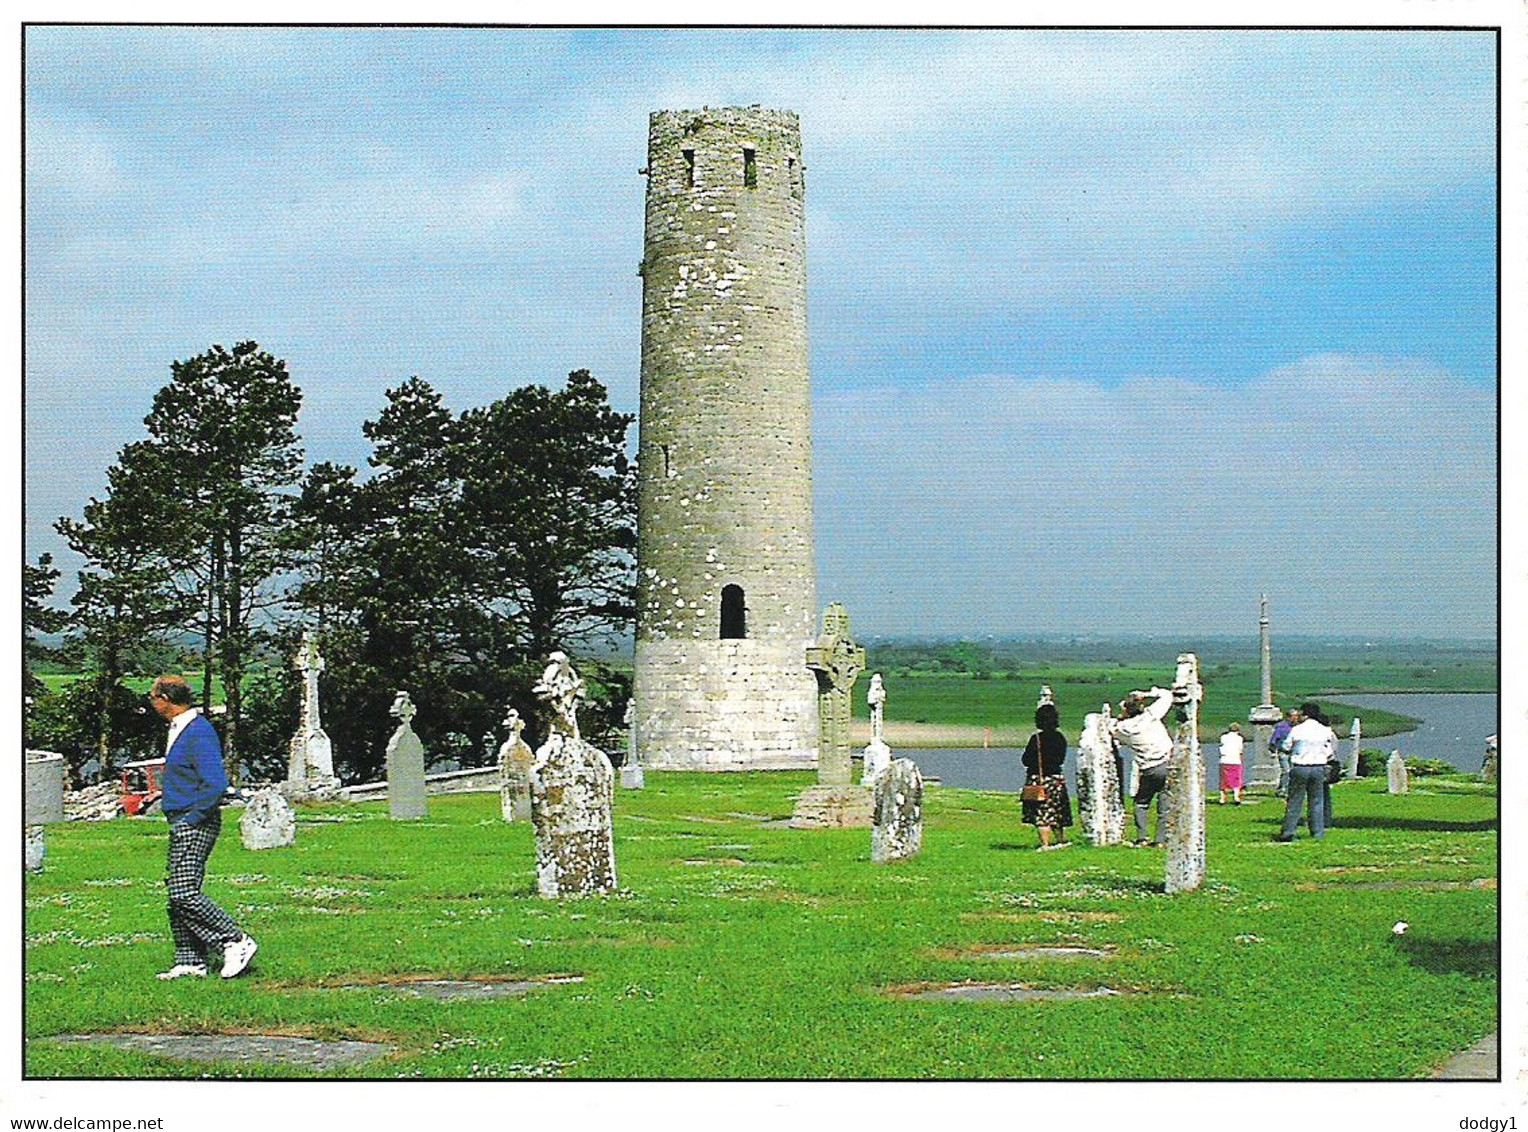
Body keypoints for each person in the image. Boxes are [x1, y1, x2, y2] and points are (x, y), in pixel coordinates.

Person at [147, 675, 258, 980]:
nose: (152, 702)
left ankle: (234, 940)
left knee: (183, 892)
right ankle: (190, 960)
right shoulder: (180, 729)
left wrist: (193, 817)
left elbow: (216, 784)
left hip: (194, 821)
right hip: (181, 817)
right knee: (177, 893)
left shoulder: (198, 732)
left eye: (153, 697)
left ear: (166, 699)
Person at [1110, 687, 1175, 847]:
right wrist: (1146, 694)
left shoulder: (1124, 729)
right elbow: (1167, 695)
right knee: (1164, 804)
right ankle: (1160, 840)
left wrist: (1120, 718)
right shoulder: (1151, 716)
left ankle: (1142, 837)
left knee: (1142, 802)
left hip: (1149, 768)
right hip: (1168, 763)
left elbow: (1110, 727)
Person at [1277, 701, 1337, 841]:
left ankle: (1288, 832)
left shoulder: (1297, 730)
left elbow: (1286, 746)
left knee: (1295, 800)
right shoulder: (1324, 730)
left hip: (1300, 767)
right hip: (1318, 767)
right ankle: (1317, 833)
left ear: (1305, 714)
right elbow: (1330, 752)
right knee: (1317, 800)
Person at [1021, 702, 1072, 850]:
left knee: (1041, 812)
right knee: (1058, 811)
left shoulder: (1036, 738)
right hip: (1056, 779)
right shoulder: (1060, 738)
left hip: (1038, 779)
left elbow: (1026, 760)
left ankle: (1045, 843)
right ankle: (1061, 839)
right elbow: (1061, 759)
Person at [1217, 721, 1245, 805]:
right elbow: (1240, 751)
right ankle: (1236, 797)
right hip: (1235, 761)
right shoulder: (1239, 738)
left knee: (1223, 780)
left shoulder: (1223, 737)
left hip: (1224, 760)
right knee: (1236, 780)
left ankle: (1222, 799)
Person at [1270, 709, 1296, 797]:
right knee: (1286, 771)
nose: (1296, 718)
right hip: (1283, 752)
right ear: (1289, 717)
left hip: (1294, 752)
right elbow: (1274, 740)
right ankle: (1284, 790)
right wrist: (1273, 750)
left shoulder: (1296, 728)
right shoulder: (1281, 727)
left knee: (1292, 772)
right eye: (1294, 717)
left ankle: (1283, 788)